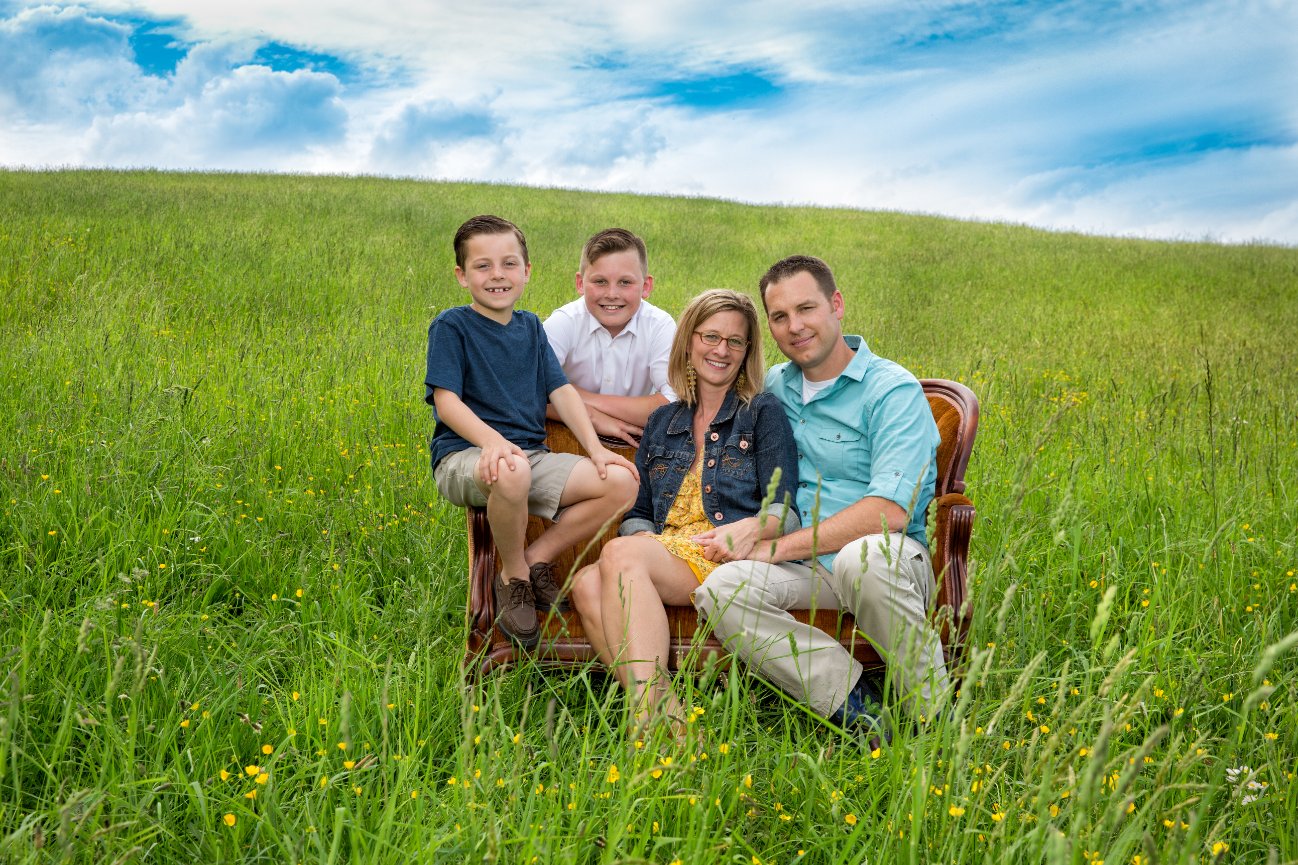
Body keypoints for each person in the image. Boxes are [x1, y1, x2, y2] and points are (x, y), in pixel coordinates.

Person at [694, 255, 948, 733]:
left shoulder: (891, 391)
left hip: (887, 560)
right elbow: (703, 403)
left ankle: (932, 720)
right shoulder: (773, 387)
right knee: (721, 590)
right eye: (779, 316)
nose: (795, 326)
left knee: (863, 560)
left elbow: (890, 512)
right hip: (809, 568)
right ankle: (861, 712)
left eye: (806, 308)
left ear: (837, 305)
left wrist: (776, 548)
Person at [568, 289, 800, 735]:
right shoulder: (663, 421)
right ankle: (669, 718)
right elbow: (638, 511)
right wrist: (640, 542)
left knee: (620, 555)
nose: (721, 350)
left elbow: (784, 509)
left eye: (735, 341)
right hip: (665, 550)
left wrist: (750, 528)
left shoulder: (761, 412)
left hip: (724, 552)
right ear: (689, 342)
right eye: (711, 337)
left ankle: (649, 723)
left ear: (747, 351)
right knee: (584, 582)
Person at [425, 214, 638, 649]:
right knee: (512, 468)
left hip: (529, 458)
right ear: (462, 276)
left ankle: (534, 559)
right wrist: (493, 442)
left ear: (526, 271)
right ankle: (514, 579)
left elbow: (561, 392)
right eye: (482, 266)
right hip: (466, 456)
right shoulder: (452, 326)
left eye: (508, 263)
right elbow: (447, 403)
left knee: (621, 481)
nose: (497, 275)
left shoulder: (531, 327)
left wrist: (596, 449)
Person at [544, 228, 677, 446]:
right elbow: (525, 393)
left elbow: (673, 406)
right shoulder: (563, 322)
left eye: (625, 282)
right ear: (580, 283)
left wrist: (579, 396)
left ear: (646, 286)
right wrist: (592, 416)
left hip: (635, 440)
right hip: (566, 433)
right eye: (600, 281)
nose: (612, 294)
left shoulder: (660, 326)